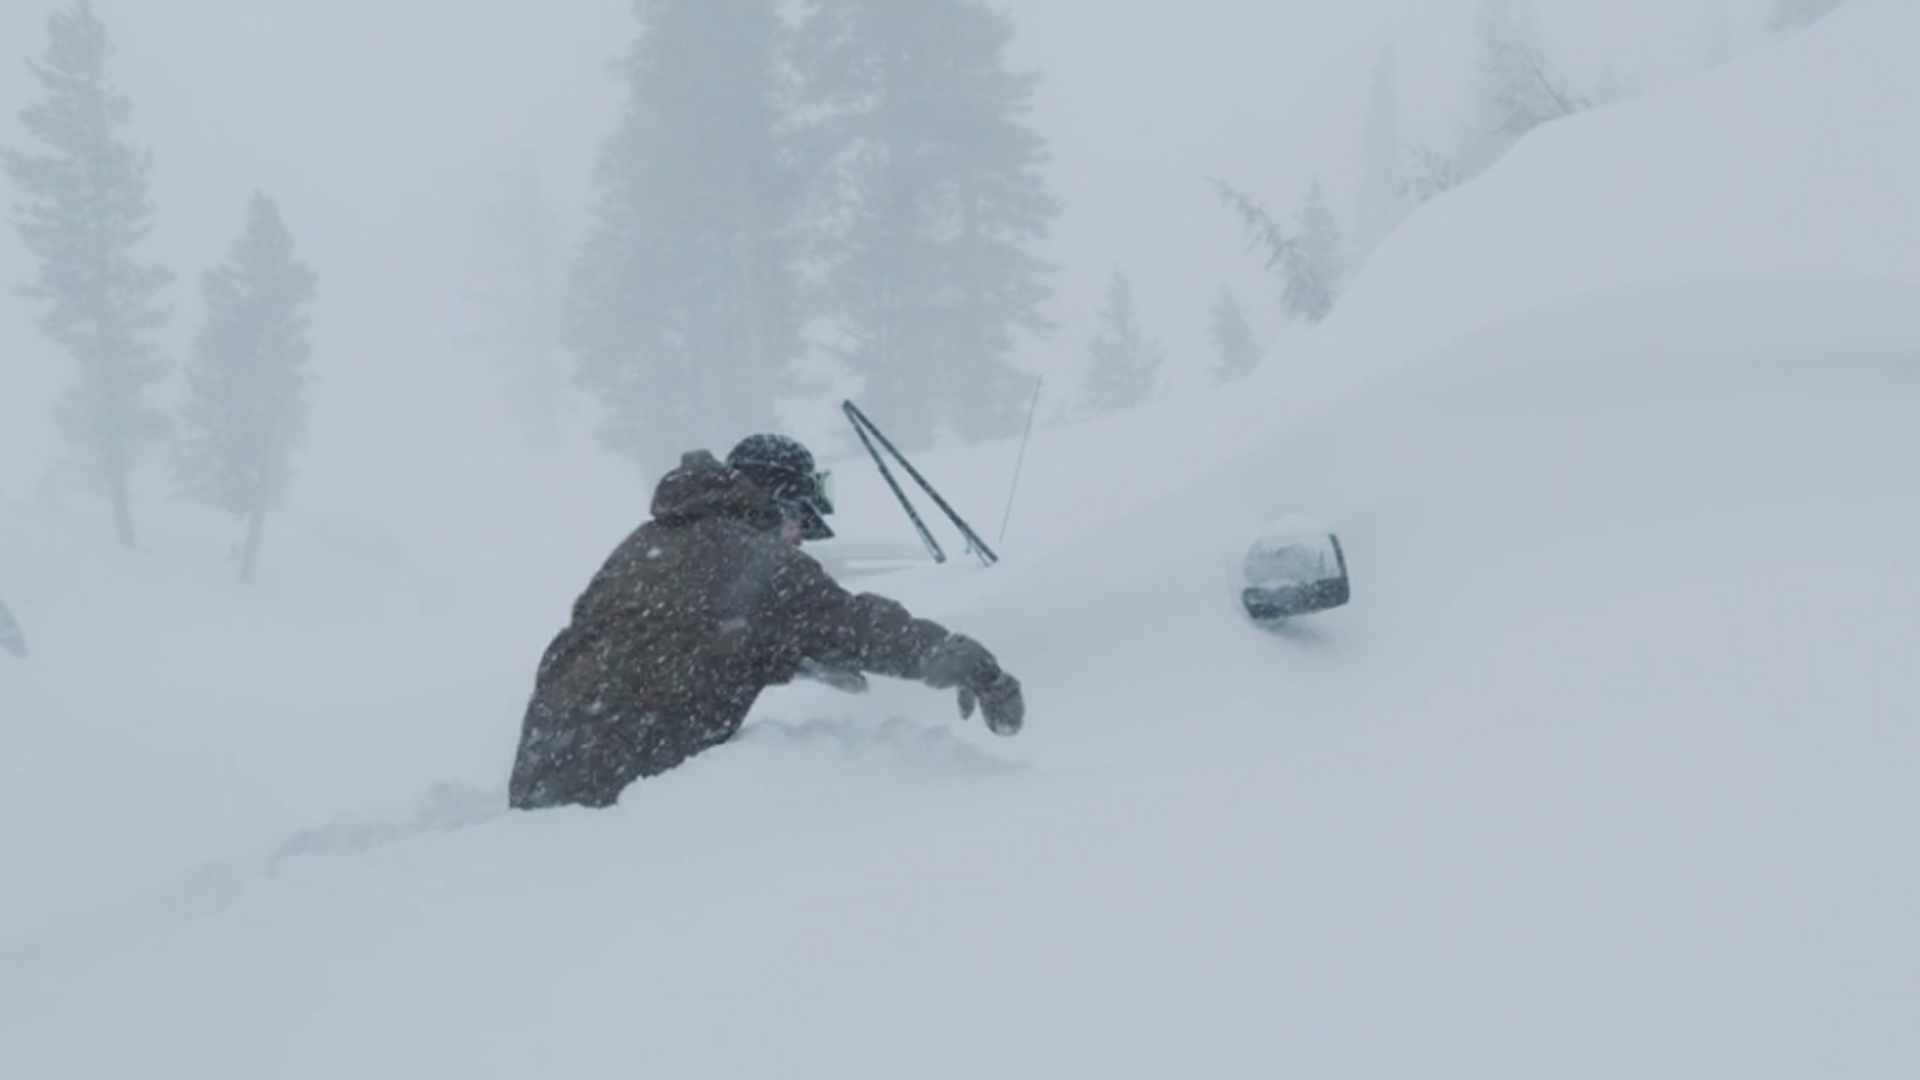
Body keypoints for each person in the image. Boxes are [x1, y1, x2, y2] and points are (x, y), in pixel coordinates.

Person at [507, 434, 1024, 811]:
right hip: (618, 805)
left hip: (550, 778)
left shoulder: (650, 542)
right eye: (801, 518)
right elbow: (858, 627)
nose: (799, 537)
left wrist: (789, 659)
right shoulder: (756, 560)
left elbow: (679, 642)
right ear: (777, 503)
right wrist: (960, 658)